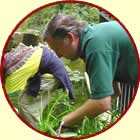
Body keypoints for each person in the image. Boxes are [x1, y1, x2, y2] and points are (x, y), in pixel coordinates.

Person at [42, 14, 138, 131]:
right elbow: (115, 92)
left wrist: (65, 122)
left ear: (70, 37)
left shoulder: (95, 47)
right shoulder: (91, 37)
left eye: (58, 48)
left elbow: (102, 103)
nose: (58, 55)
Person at [4, 42, 74, 128]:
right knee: (25, 102)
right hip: (43, 70)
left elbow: (8, 94)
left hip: (51, 76)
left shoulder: (13, 72)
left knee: (27, 104)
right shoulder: (8, 61)